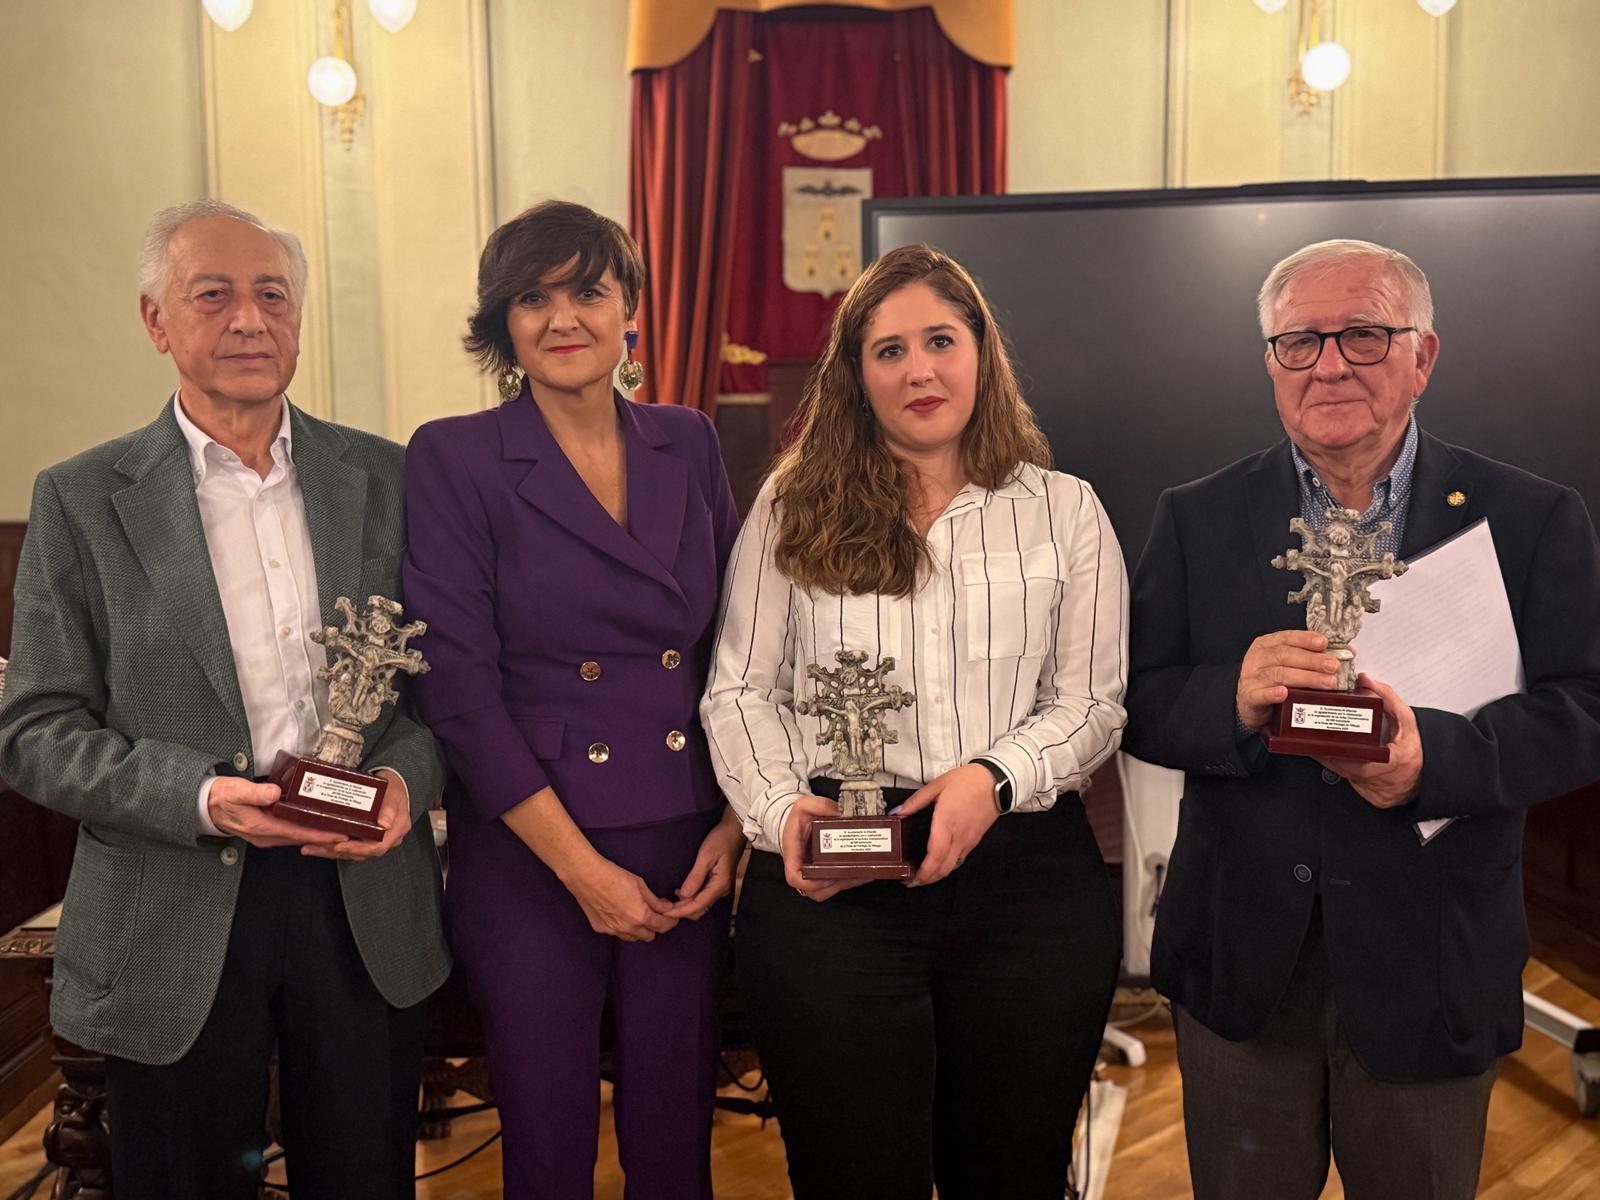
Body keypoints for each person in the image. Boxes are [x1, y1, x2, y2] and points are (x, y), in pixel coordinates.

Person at [1123, 239, 1600, 1199]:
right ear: (1271, 363)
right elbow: (1134, 700)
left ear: (1424, 356)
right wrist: (1230, 695)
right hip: (1240, 970)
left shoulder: (1530, 518)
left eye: (1365, 335)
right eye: (1299, 341)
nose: (1330, 363)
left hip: (1432, 964)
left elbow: (1585, 706)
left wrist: (1435, 760)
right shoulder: (1196, 516)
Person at [0, 200, 447, 1199]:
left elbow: (440, 694)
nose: (250, 319)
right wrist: (202, 797)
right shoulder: (82, 498)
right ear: (156, 320)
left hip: (360, 900)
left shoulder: (389, 477)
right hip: (173, 900)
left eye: (273, 296)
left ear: (298, 319)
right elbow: (34, 730)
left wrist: (402, 786)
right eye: (214, 295)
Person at [701, 244, 1127, 1200]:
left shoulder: (1064, 511)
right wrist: (780, 813)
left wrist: (991, 780)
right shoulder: (792, 505)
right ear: (856, 376)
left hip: (1026, 889)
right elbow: (739, 691)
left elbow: (1092, 704)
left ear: (981, 352)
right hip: (833, 888)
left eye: (941, 340)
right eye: (888, 351)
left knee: (1012, 1177)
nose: (919, 370)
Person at [402, 200, 746, 1199]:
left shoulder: (687, 440)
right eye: (532, 298)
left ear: (629, 308)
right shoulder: (455, 455)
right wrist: (582, 871)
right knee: (548, 1150)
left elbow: (740, 647)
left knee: (676, 1141)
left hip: (686, 838)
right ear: (501, 323)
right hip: (532, 850)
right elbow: (459, 692)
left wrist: (736, 824)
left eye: (588, 292)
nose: (562, 319)